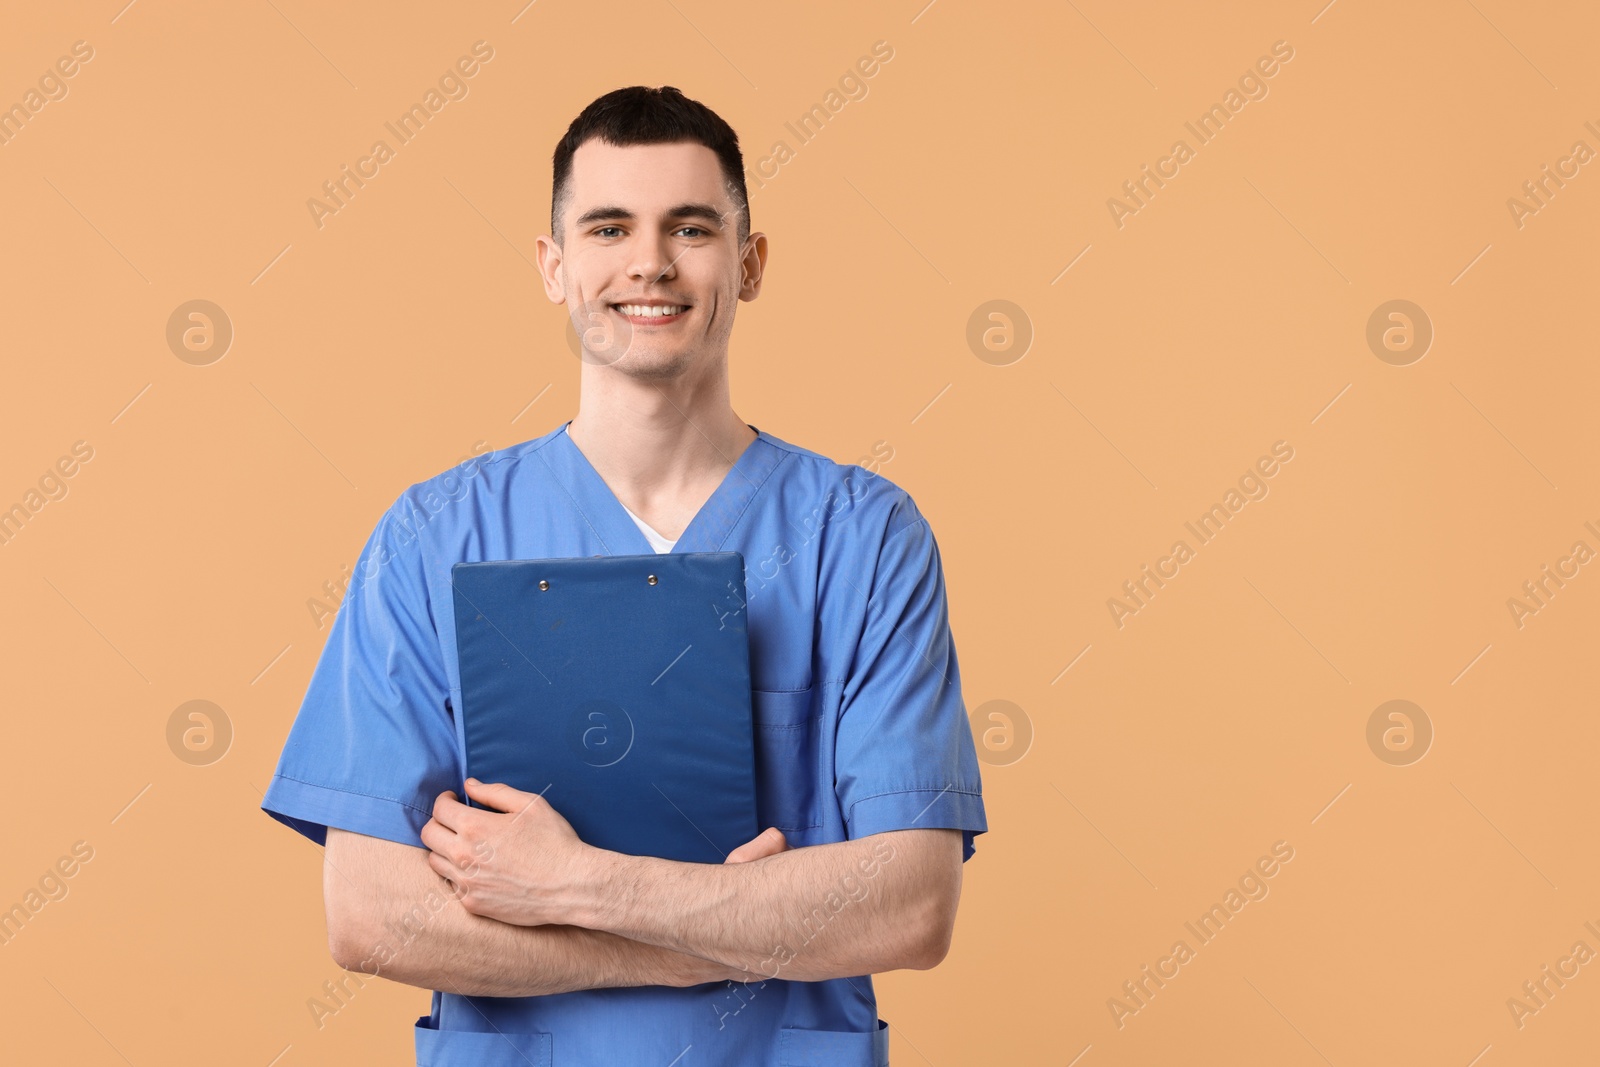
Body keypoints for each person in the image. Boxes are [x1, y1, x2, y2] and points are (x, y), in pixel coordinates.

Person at [261, 84, 987, 1067]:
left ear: (750, 262)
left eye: (690, 227)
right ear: (553, 267)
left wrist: (579, 885)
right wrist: (700, 945)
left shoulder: (859, 538)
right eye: (608, 227)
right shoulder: (435, 535)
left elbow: (911, 900)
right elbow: (369, 915)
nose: (648, 261)